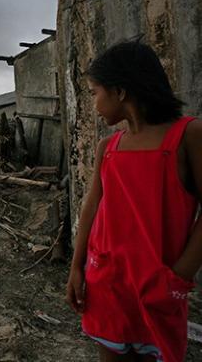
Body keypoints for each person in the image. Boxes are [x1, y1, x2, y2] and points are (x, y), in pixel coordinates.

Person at [65, 41, 202, 362]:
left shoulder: (187, 135)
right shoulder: (107, 147)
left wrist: (177, 278)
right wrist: (76, 266)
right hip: (107, 285)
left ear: (120, 91)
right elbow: (91, 208)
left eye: (95, 92)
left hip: (158, 289)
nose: (94, 103)